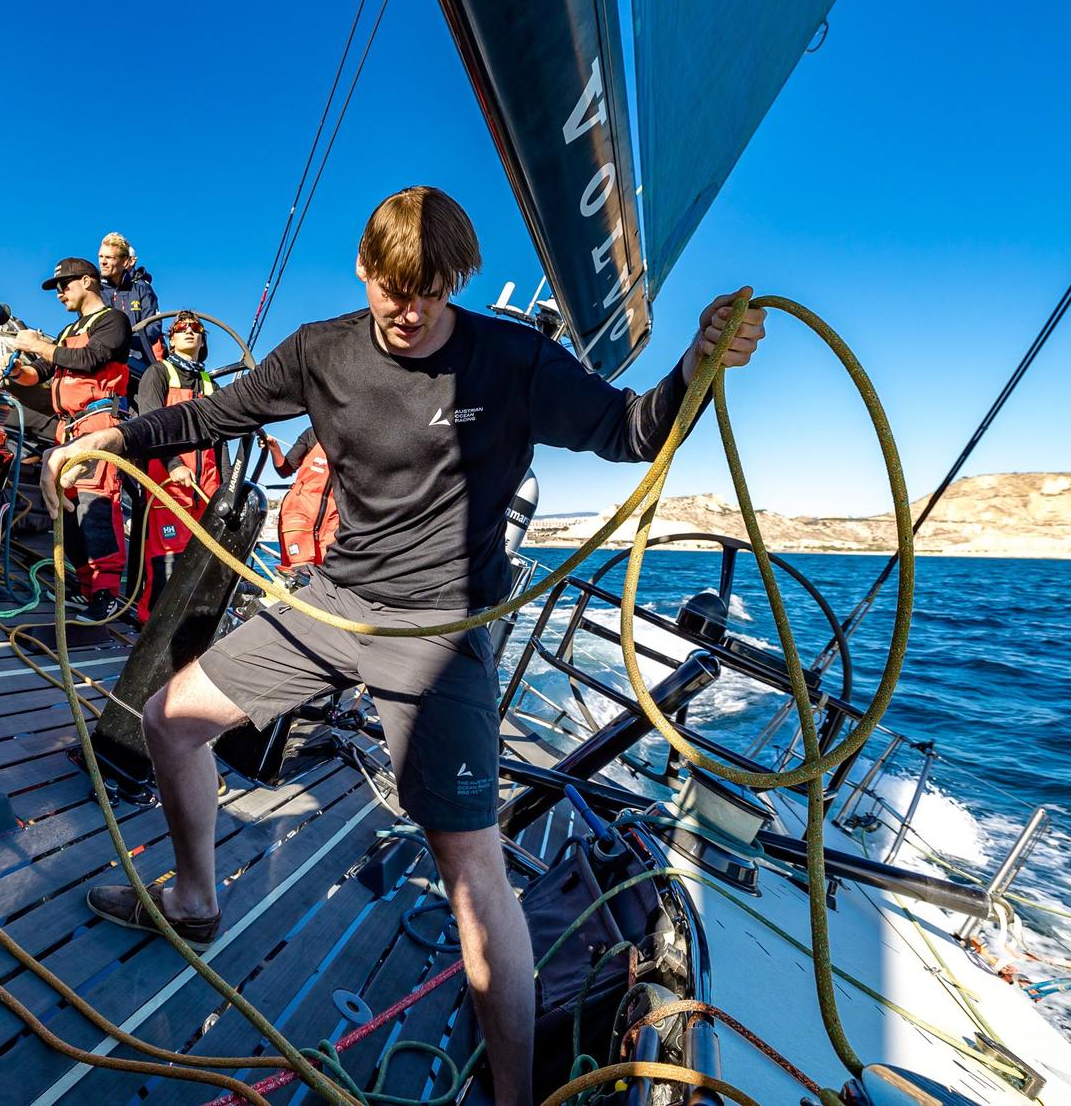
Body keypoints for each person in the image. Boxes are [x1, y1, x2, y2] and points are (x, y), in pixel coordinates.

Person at [42, 186, 765, 1106]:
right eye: (393, 288)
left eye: (430, 291)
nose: (409, 312)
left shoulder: (511, 359)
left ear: (457, 282)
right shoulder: (321, 350)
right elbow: (212, 415)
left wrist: (699, 363)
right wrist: (118, 436)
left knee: (471, 869)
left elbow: (631, 430)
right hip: (334, 602)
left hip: (440, 629)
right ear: (364, 269)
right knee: (168, 719)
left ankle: (510, 1098)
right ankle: (194, 896)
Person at [12, 258, 133, 623]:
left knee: (96, 506)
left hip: (98, 423)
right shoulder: (66, 332)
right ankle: (84, 588)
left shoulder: (113, 321)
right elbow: (42, 373)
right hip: (68, 429)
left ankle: (106, 594)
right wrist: (18, 370)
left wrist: (39, 345)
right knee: (69, 511)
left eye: (65, 284)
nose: (61, 292)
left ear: (88, 282)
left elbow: (91, 359)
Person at [131, 312, 224, 615]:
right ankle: (151, 625)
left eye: (195, 328)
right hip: (168, 484)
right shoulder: (158, 374)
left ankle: (188, 627)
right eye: (179, 329)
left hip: (205, 488)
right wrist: (172, 465)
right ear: (170, 339)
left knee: (203, 563)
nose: (188, 331)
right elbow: (148, 425)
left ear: (202, 339)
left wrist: (224, 490)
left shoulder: (211, 385)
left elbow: (222, 439)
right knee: (166, 560)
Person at [262, 427, 339, 574]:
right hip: (299, 513)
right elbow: (285, 469)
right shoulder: (313, 433)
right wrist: (274, 448)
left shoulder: (358, 443)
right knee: (299, 574)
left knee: (328, 575)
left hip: (333, 521)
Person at [97, 232, 161, 388]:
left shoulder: (142, 288)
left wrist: (123, 341)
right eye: (101, 257)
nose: (103, 262)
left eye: (109, 258)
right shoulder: (94, 291)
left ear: (125, 261)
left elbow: (153, 328)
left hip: (139, 364)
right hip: (105, 362)